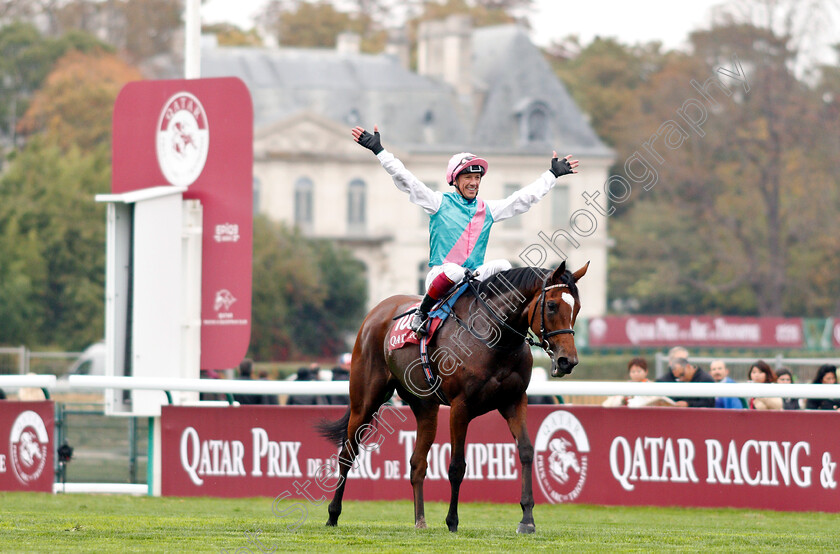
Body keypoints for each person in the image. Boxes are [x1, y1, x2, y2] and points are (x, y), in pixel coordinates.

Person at [351, 125, 579, 335]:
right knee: (455, 271)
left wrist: (551, 175)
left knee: (505, 266)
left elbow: (523, 199)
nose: (474, 182)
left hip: (474, 278)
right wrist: (380, 151)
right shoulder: (438, 202)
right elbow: (406, 179)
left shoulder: (487, 209)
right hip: (442, 275)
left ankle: (504, 321)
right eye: (468, 177)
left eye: (477, 178)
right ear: (455, 180)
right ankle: (422, 312)